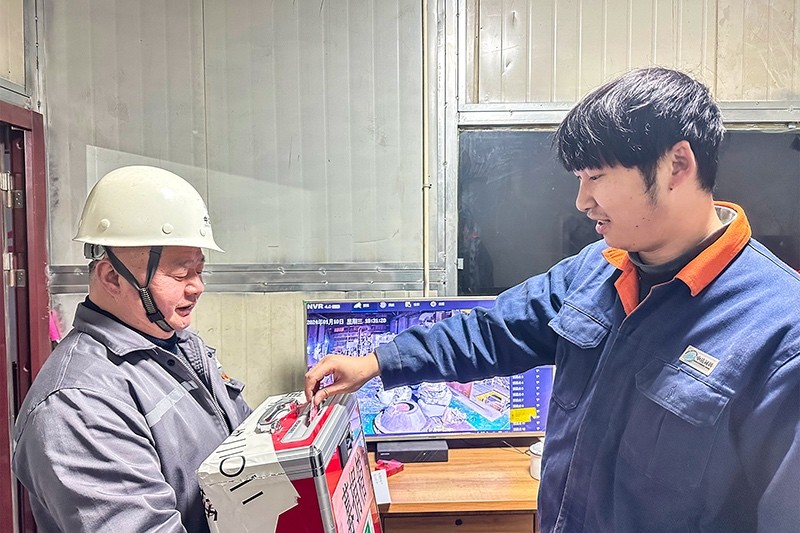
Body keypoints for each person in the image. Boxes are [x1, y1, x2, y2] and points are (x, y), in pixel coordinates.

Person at [305, 67, 800, 532]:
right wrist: (377, 362)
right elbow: (494, 331)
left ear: (676, 165)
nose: (582, 202)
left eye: (596, 177)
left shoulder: (781, 333)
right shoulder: (597, 268)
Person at [13, 166, 252, 532]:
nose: (197, 287)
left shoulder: (179, 346)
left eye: (199, 271)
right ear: (112, 277)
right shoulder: (78, 405)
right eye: (180, 273)